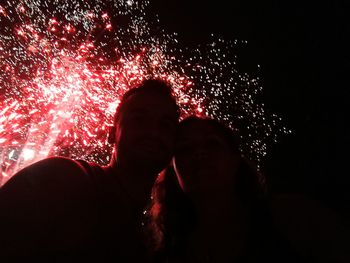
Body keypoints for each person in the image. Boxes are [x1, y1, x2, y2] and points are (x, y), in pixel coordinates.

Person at [0, 78, 180, 262]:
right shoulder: (61, 179)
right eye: (139, 120)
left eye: (165, 125)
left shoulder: (156, 235)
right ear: (112, 134)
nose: (153, 132)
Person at [147, 116, 350, 263]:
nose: (199, 155)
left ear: (235, 160)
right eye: (185, 149)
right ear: (173, 171)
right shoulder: (169, 254)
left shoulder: (292, 219)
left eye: (212, 144)